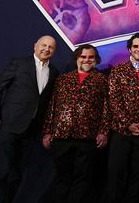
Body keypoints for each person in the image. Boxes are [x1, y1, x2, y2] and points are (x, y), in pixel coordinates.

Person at [0, 35, 59, 203]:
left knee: (17, 174)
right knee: (4, 171)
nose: (46, 49)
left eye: (50, 47)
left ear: (54, 51)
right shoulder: (19, 63)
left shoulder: (54, 72)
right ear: (35, 46)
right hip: (10, 125)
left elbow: (48, 102)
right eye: (43, 45)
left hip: (31, 130)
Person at [41, 44, 109, 203]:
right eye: (83, 56)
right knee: (62, 177)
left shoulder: (102, 80)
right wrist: (47, 131)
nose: (87, 60)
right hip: (62, 135)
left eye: (91, 57)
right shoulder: (63, 79)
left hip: (87, 137)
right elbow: (52, 105)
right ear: (77, 58)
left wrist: (103, 131)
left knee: (83, 178)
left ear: (96, 59)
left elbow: (107, 108)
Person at [105, 32, 139, 203]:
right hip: (121, 133)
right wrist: (128, 124)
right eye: (135, 46)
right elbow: (113, 100)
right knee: (116, 174)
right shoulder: (118, 71)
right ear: (129, 49)